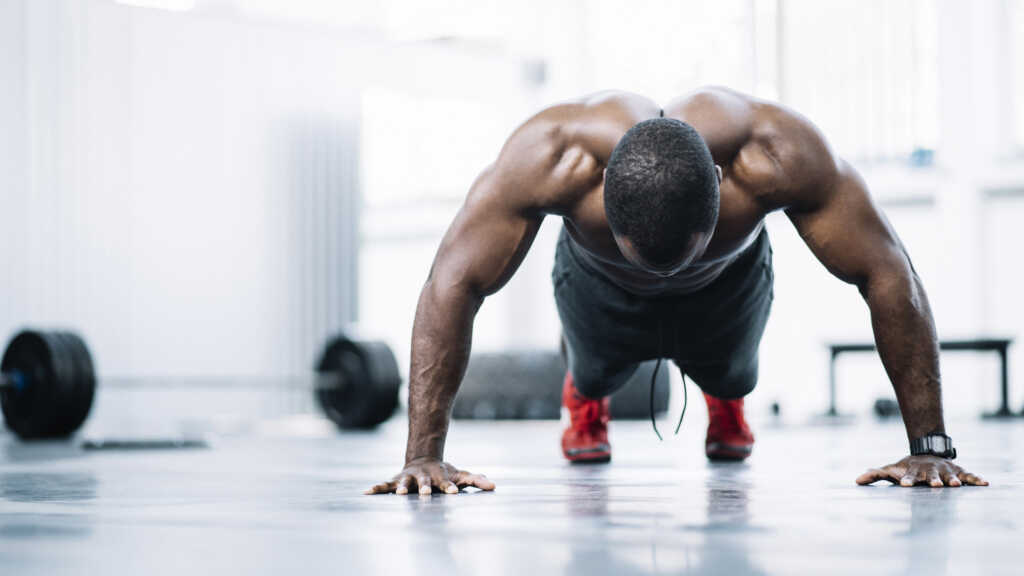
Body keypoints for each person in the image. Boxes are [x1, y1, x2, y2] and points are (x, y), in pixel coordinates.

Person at [365, 88, 987, 496]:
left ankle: (725, 400)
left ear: (720, 184)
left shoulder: (777, 153)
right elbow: (453, 280)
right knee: (596, 369)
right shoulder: (551, 156)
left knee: (733, 371)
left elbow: (886, 270)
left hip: (727, 285)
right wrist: (424, 454)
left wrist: (929, 447)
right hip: (597, 286)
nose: (662, 276)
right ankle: (586, 397)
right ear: (602, 188)